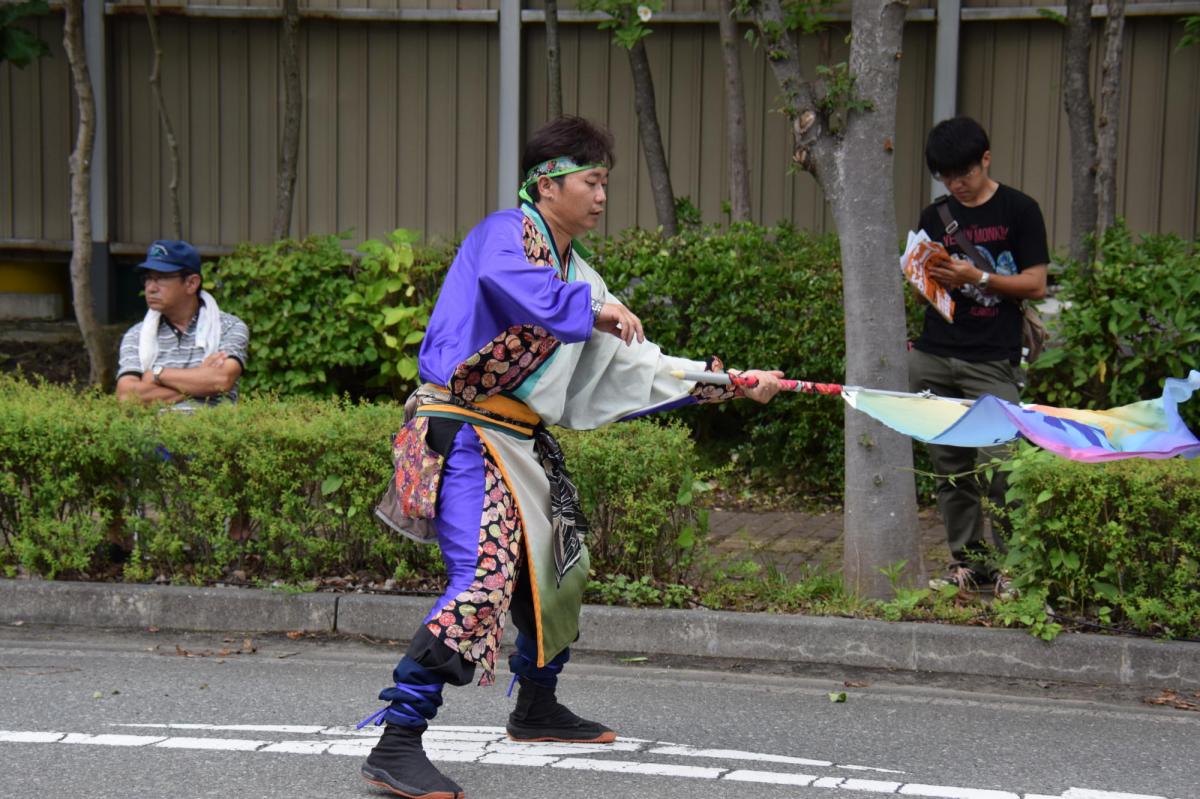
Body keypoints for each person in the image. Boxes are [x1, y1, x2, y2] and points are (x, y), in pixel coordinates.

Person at [359, 116, 783, 799]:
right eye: (592, 181)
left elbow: (629, 368)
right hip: (464, 432)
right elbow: (519, 289)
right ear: (546, 182)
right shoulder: (506, 236)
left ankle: (535, 707)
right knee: (483, 580)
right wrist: (592, 308)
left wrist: (723, 383)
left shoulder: (578, 273)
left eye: (605, 183)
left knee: (558, 571)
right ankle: (396, 740)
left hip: (520, 442)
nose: (602, 196)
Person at [909, 116, 1049, 592]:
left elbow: (1035, 283)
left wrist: (979, 278)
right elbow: (925, 284)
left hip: (992, 358)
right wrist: (926, 281)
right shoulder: (936, 215)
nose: (956, 185)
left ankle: (1014, 569)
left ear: (985, 159)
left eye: (963, 174)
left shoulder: (1019, 210)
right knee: (950, 468)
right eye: (946, 177)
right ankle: (970, 566)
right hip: (934, 353)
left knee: (1003, 466)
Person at [115, 240, 249, 410]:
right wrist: (200, 381)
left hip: (212, 433)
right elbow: (127, 397)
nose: (150, 288)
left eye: (161, 278)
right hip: (153, 435)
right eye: (148, 278)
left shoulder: (229, 327)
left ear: (191, 283)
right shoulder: (137, 335)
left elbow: (221, 380)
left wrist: (157, 373)